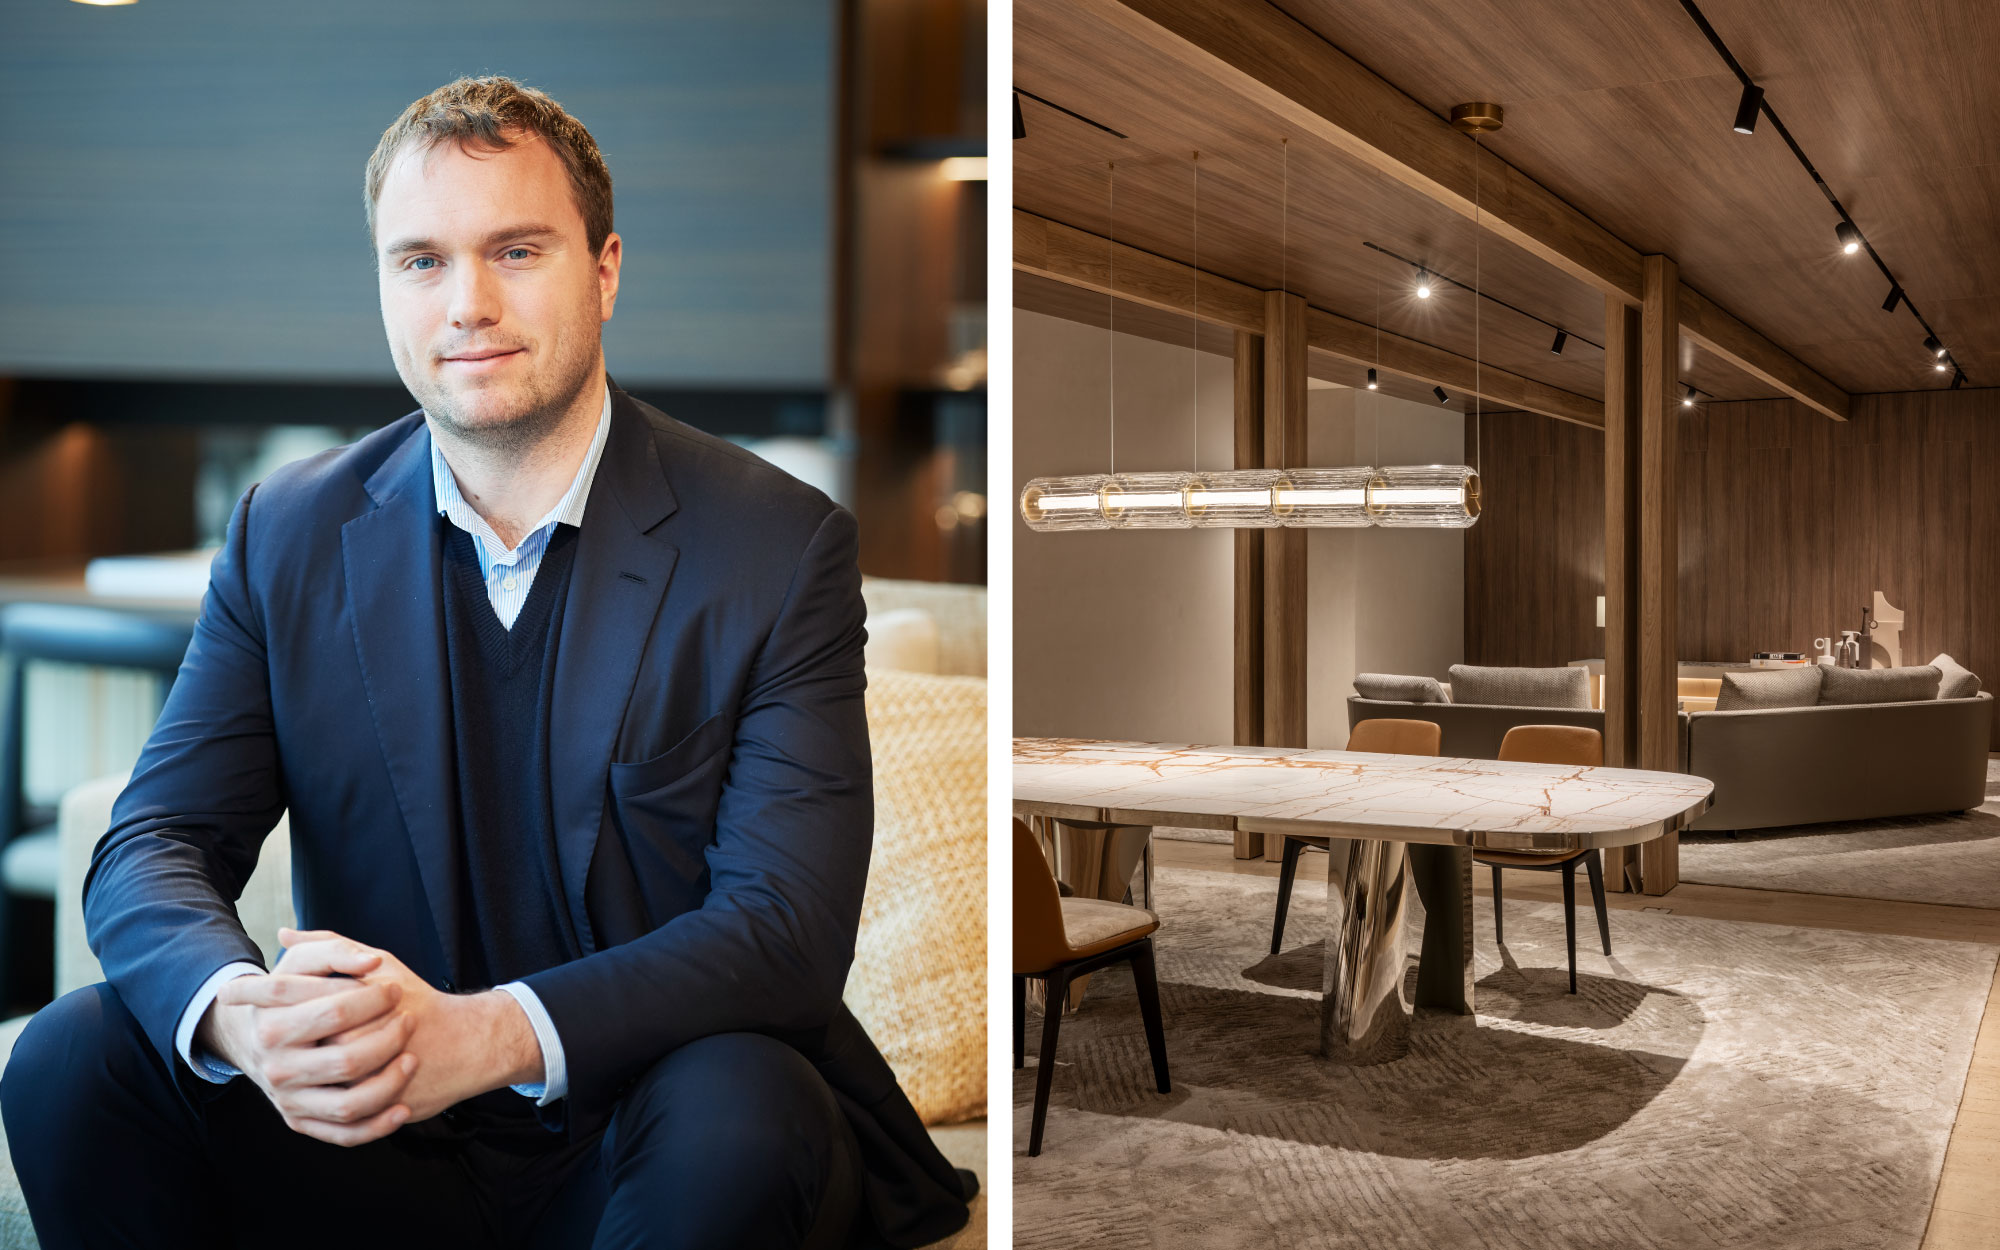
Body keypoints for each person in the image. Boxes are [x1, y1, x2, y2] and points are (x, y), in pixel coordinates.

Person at [0, 76, 973, 1250]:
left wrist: (490, 1033)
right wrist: (244, 1015)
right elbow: (154, 838)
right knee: (72, 1057)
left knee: (743, 1104)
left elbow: (783, 928)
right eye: (420, 261)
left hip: (651, 1124)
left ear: (605, 269)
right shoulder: (287, 532)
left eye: (516, 250)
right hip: (377, 1140)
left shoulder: (774, 544)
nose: (467, 302)